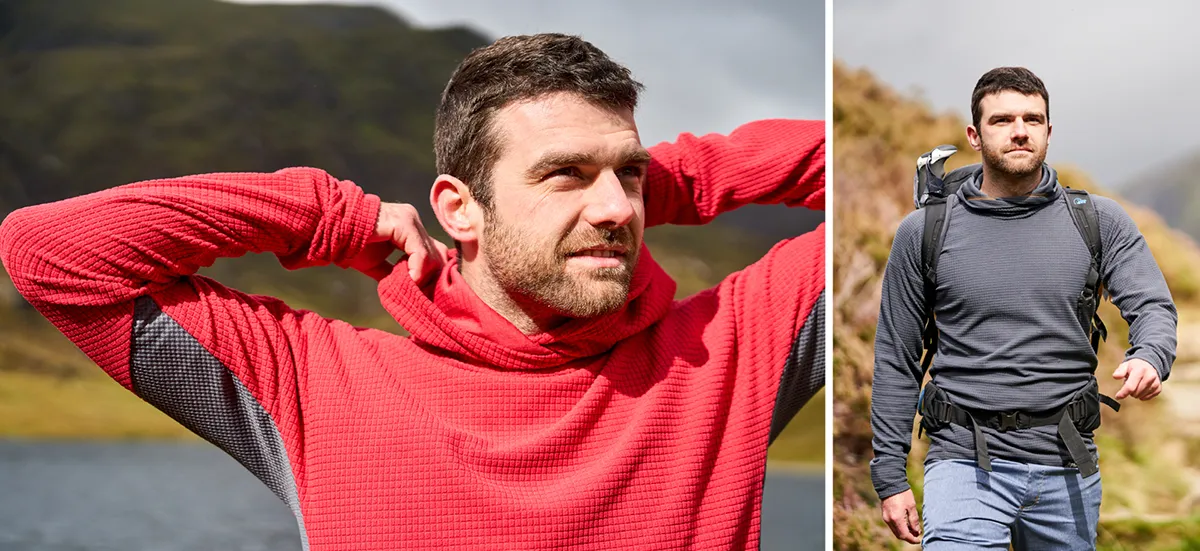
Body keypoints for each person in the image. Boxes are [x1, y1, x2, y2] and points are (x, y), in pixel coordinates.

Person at [0, 33, 825, 550]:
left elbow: (876, 174)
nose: (616, 208)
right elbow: (48, 254)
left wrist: (675, 179)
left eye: (628, 175)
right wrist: (328, 218)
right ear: (458, 209)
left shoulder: (732, 345)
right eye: (565, 173)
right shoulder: (310, 379)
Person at [869, 66, 1177, 549]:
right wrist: (889, 475)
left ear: (1048, 131)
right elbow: (896, 357)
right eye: (1002, 120)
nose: (1019, 131)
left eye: (1032, 119)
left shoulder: (1098, 220)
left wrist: (1150, 356)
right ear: (974, 135)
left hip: (1067, 465)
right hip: (963, 461)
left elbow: (1153, 304)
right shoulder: (924, 231)